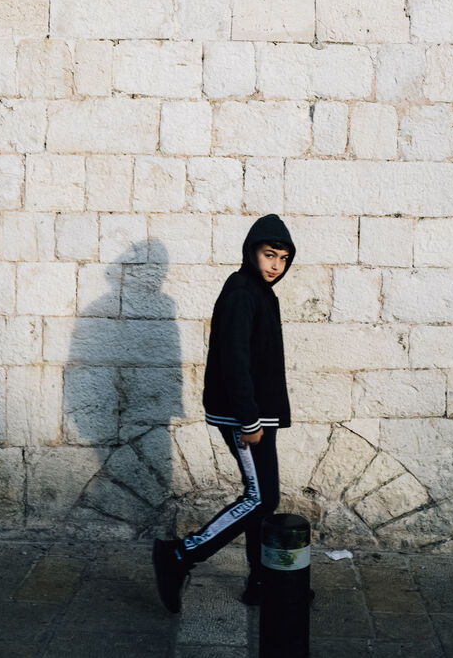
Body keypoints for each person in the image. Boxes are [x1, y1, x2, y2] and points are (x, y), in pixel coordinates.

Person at [153, 214, 296, 612]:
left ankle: (260, 581)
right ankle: (180, 555)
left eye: (283, 258)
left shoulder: (260, 292)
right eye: (269, 254)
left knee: (261, 498)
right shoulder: (241, 291)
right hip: (244, 418)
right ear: (251, 252)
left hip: (258, 415)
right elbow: (235, 361)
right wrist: (249, 420)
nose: (276, 265)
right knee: (261, 499)